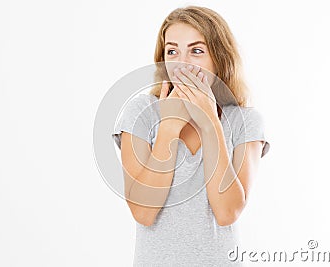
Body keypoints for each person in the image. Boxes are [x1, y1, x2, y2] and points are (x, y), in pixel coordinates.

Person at [112, 6, 270, 266]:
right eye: (172, 51)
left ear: (219, 58)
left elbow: (227, 212)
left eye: (196, 51)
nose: (182, 63)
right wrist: (169, 128)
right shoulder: (141, 113)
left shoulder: (244, 122)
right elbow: (143, 212)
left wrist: (209, 124)